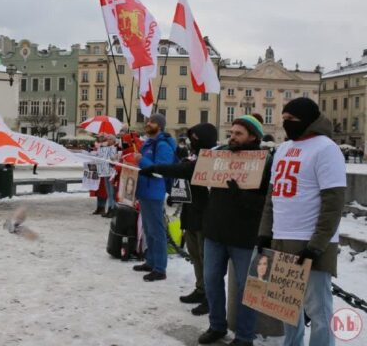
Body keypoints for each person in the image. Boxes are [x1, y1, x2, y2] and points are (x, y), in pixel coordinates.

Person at [257, 98, 346, 346]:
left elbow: (333, 203)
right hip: (282, 236)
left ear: (307, 120)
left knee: (318, 307)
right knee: (286, 306)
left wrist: (316, 245)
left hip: (310, 238)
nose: (286, 124)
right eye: (283, 119)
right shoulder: (283, 149)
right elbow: (272, 197)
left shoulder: (326, 148)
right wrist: (265, 233)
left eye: (291, 120)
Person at [197, 115, 272, 346]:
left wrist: (241, 194)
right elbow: (192, 170)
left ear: (253, 136)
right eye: (231, 133)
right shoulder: (220, 153)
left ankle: (244, 336)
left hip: (245, 236)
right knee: (211, 280)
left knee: (245, 288)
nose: (233, 137)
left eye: (238, 134)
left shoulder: (266, 162)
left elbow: (265, 203)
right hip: (215, 231)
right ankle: (217, 326)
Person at [139, 123, 218, 315]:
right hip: (191, 212)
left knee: (205, 258)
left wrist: (155, 167)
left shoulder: (211, 158)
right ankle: (200, 289)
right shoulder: (193, 156)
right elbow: (182, 174)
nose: (192, 142)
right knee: (195, 256)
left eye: (196, 138)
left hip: (205, 214)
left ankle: (210, 297)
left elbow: (183, 171)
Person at [133, 113, 177, 282]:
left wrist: (141, 160)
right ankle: (151, 261)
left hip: (154, 191)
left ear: (159, 125)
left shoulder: (163, 145)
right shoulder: (149, 143)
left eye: (151, 122)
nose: (147, 123)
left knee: (156, 231)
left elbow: (161, 169)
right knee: (149, 230)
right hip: (145, 190)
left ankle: (160, 267)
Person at [98, 134, 118, 218]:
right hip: (105, 171)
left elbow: (116, 158)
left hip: (112, 172)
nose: (108, 141)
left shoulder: (116, 148)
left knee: (112, 191)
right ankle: (109, 208)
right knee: (108, 192)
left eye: (110, 139)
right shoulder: (105, 148)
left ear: (114, 140)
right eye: (108, 139)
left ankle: (113, 208)